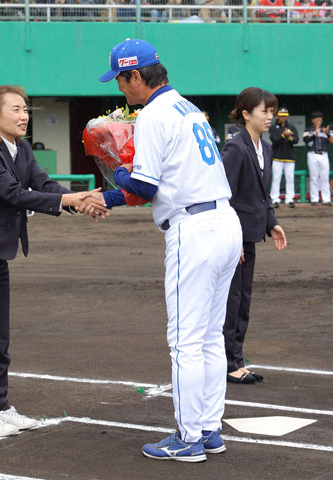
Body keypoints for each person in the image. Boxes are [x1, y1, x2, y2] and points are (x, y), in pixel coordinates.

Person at [98, 39, 242, 462]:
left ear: (137, 76)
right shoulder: (187, 107)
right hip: (224, 220)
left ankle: (188, 437)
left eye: (122, 81)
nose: (121, 90)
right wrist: (113, 189)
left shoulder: (154, 114)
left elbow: (145, 186)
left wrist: (113, 178)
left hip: (193, 230)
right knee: (211, 336)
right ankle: (209, 429)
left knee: (185, 342)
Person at [0, 85, 107, 438]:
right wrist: (74, 198)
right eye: (15, 109)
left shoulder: (23, 150)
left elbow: (42, 184)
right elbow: (15, 194)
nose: (23, 116)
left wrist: (83, 201)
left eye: (26, 109)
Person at [222, 87, 287, 385]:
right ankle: (230, 362)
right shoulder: (235, 148)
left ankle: (236, 358)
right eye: (265, 111)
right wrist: (232, 239)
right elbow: (225, 196)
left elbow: (262, 195)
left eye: (272, 111)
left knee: (243, 299)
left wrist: (270, 222)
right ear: (246, 114)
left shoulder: (267, 146)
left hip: (251, 234)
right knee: (233, 300)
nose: (270, 116)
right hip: (235, 236)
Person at [269, 107, 299, 208]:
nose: (283, 118)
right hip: (277, 157)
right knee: (276, 178)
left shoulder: (291, 127)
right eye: (281, 116)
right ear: (277, 116)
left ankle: (290, 199)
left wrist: (289, 136)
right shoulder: (273, 127)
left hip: (290, 157)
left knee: (290, 178)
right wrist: (283, 135)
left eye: (284, 116)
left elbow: (296, 140)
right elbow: (274, 141)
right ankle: (275, 199)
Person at [303, 111, 332, 205]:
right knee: (314, 177)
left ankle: (326, 199)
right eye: (316, 118)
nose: (318, 120)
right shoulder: (308, 129)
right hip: (312, 154)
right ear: (312, 120)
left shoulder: (325, 130)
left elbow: (332, 141)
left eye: (320, 118)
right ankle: (314, 199)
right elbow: (305, 139)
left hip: (324, 154)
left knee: (325, 177)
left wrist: (328, 133)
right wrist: (315, 132)